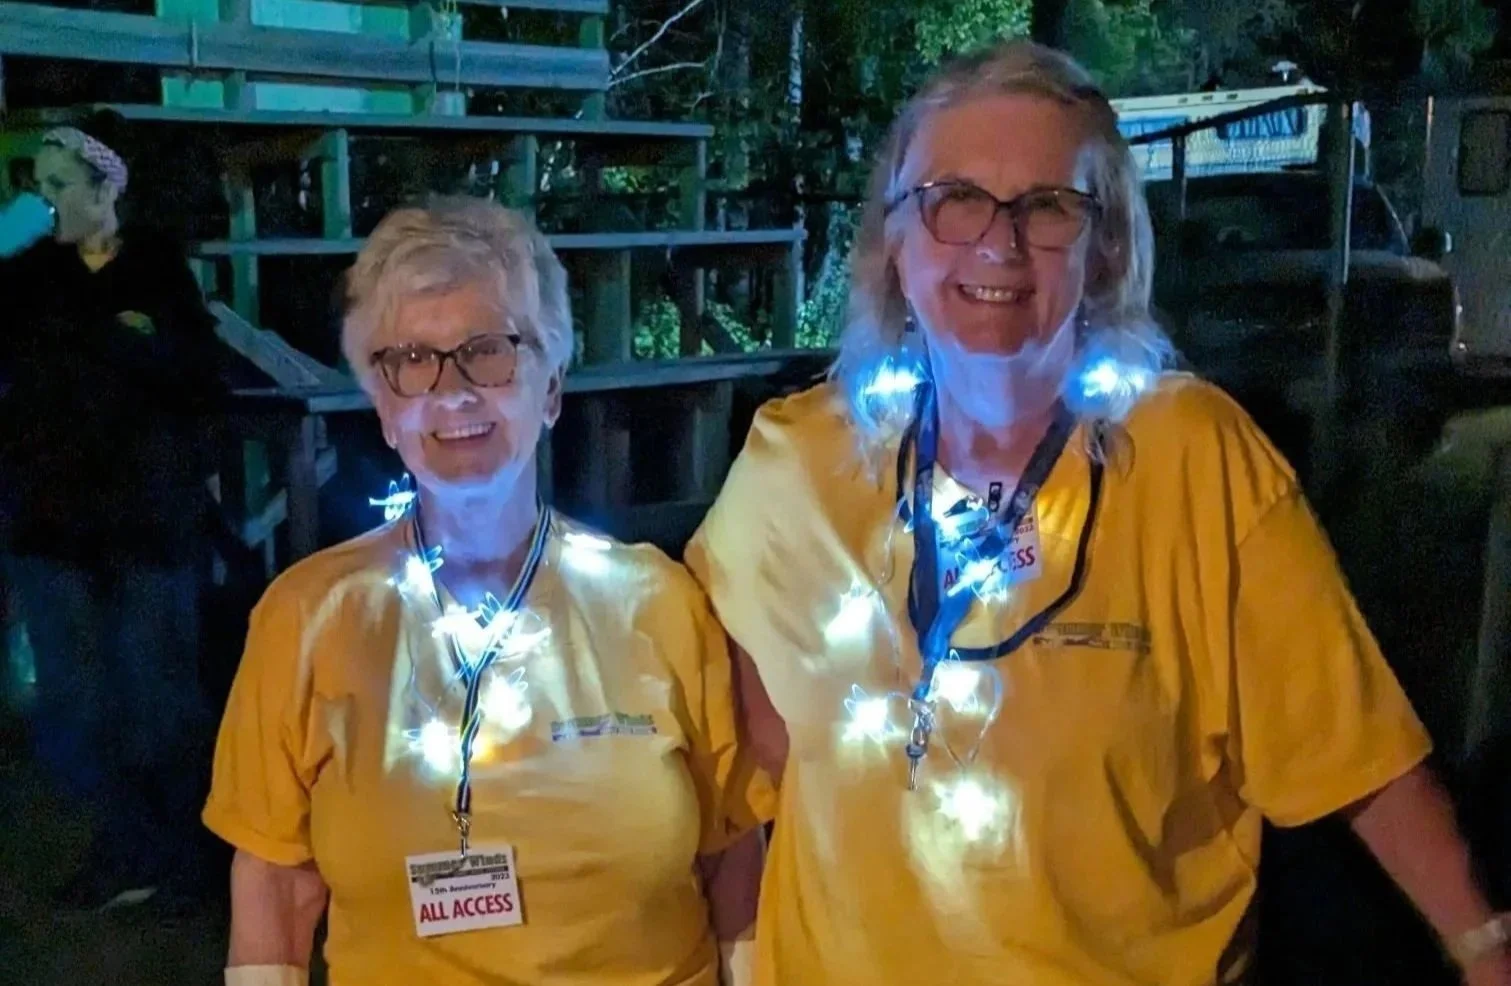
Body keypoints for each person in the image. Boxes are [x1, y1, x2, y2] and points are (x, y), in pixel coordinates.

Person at [682, 42, 1511, 986]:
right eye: (955, 199)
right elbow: (728, 774)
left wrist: (1479, 943)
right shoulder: (797, 465)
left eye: (1048, 206)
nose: (998, 243)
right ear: (894, 239)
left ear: (1105, 244)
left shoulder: (1192, 457)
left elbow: (1349, 743)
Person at [204, 197, 769, 986]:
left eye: (488, 351)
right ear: (383, 404)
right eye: (411, 360)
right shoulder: (309, 616)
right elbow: (274, 882)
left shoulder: (659, 601)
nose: (451, 391)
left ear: (550, 388)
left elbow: (732, 856)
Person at [0, 110, 222, 910]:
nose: (46, 198)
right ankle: (121, 847)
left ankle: (186, 859)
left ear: (106, 187)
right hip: (51, 526)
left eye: (61, 184)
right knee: (76, 701)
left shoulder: (159, 270)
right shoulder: (24, 276)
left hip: (145, 523)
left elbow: (196, 378)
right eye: (39, 184)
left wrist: (126, 341)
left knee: (160, 696)